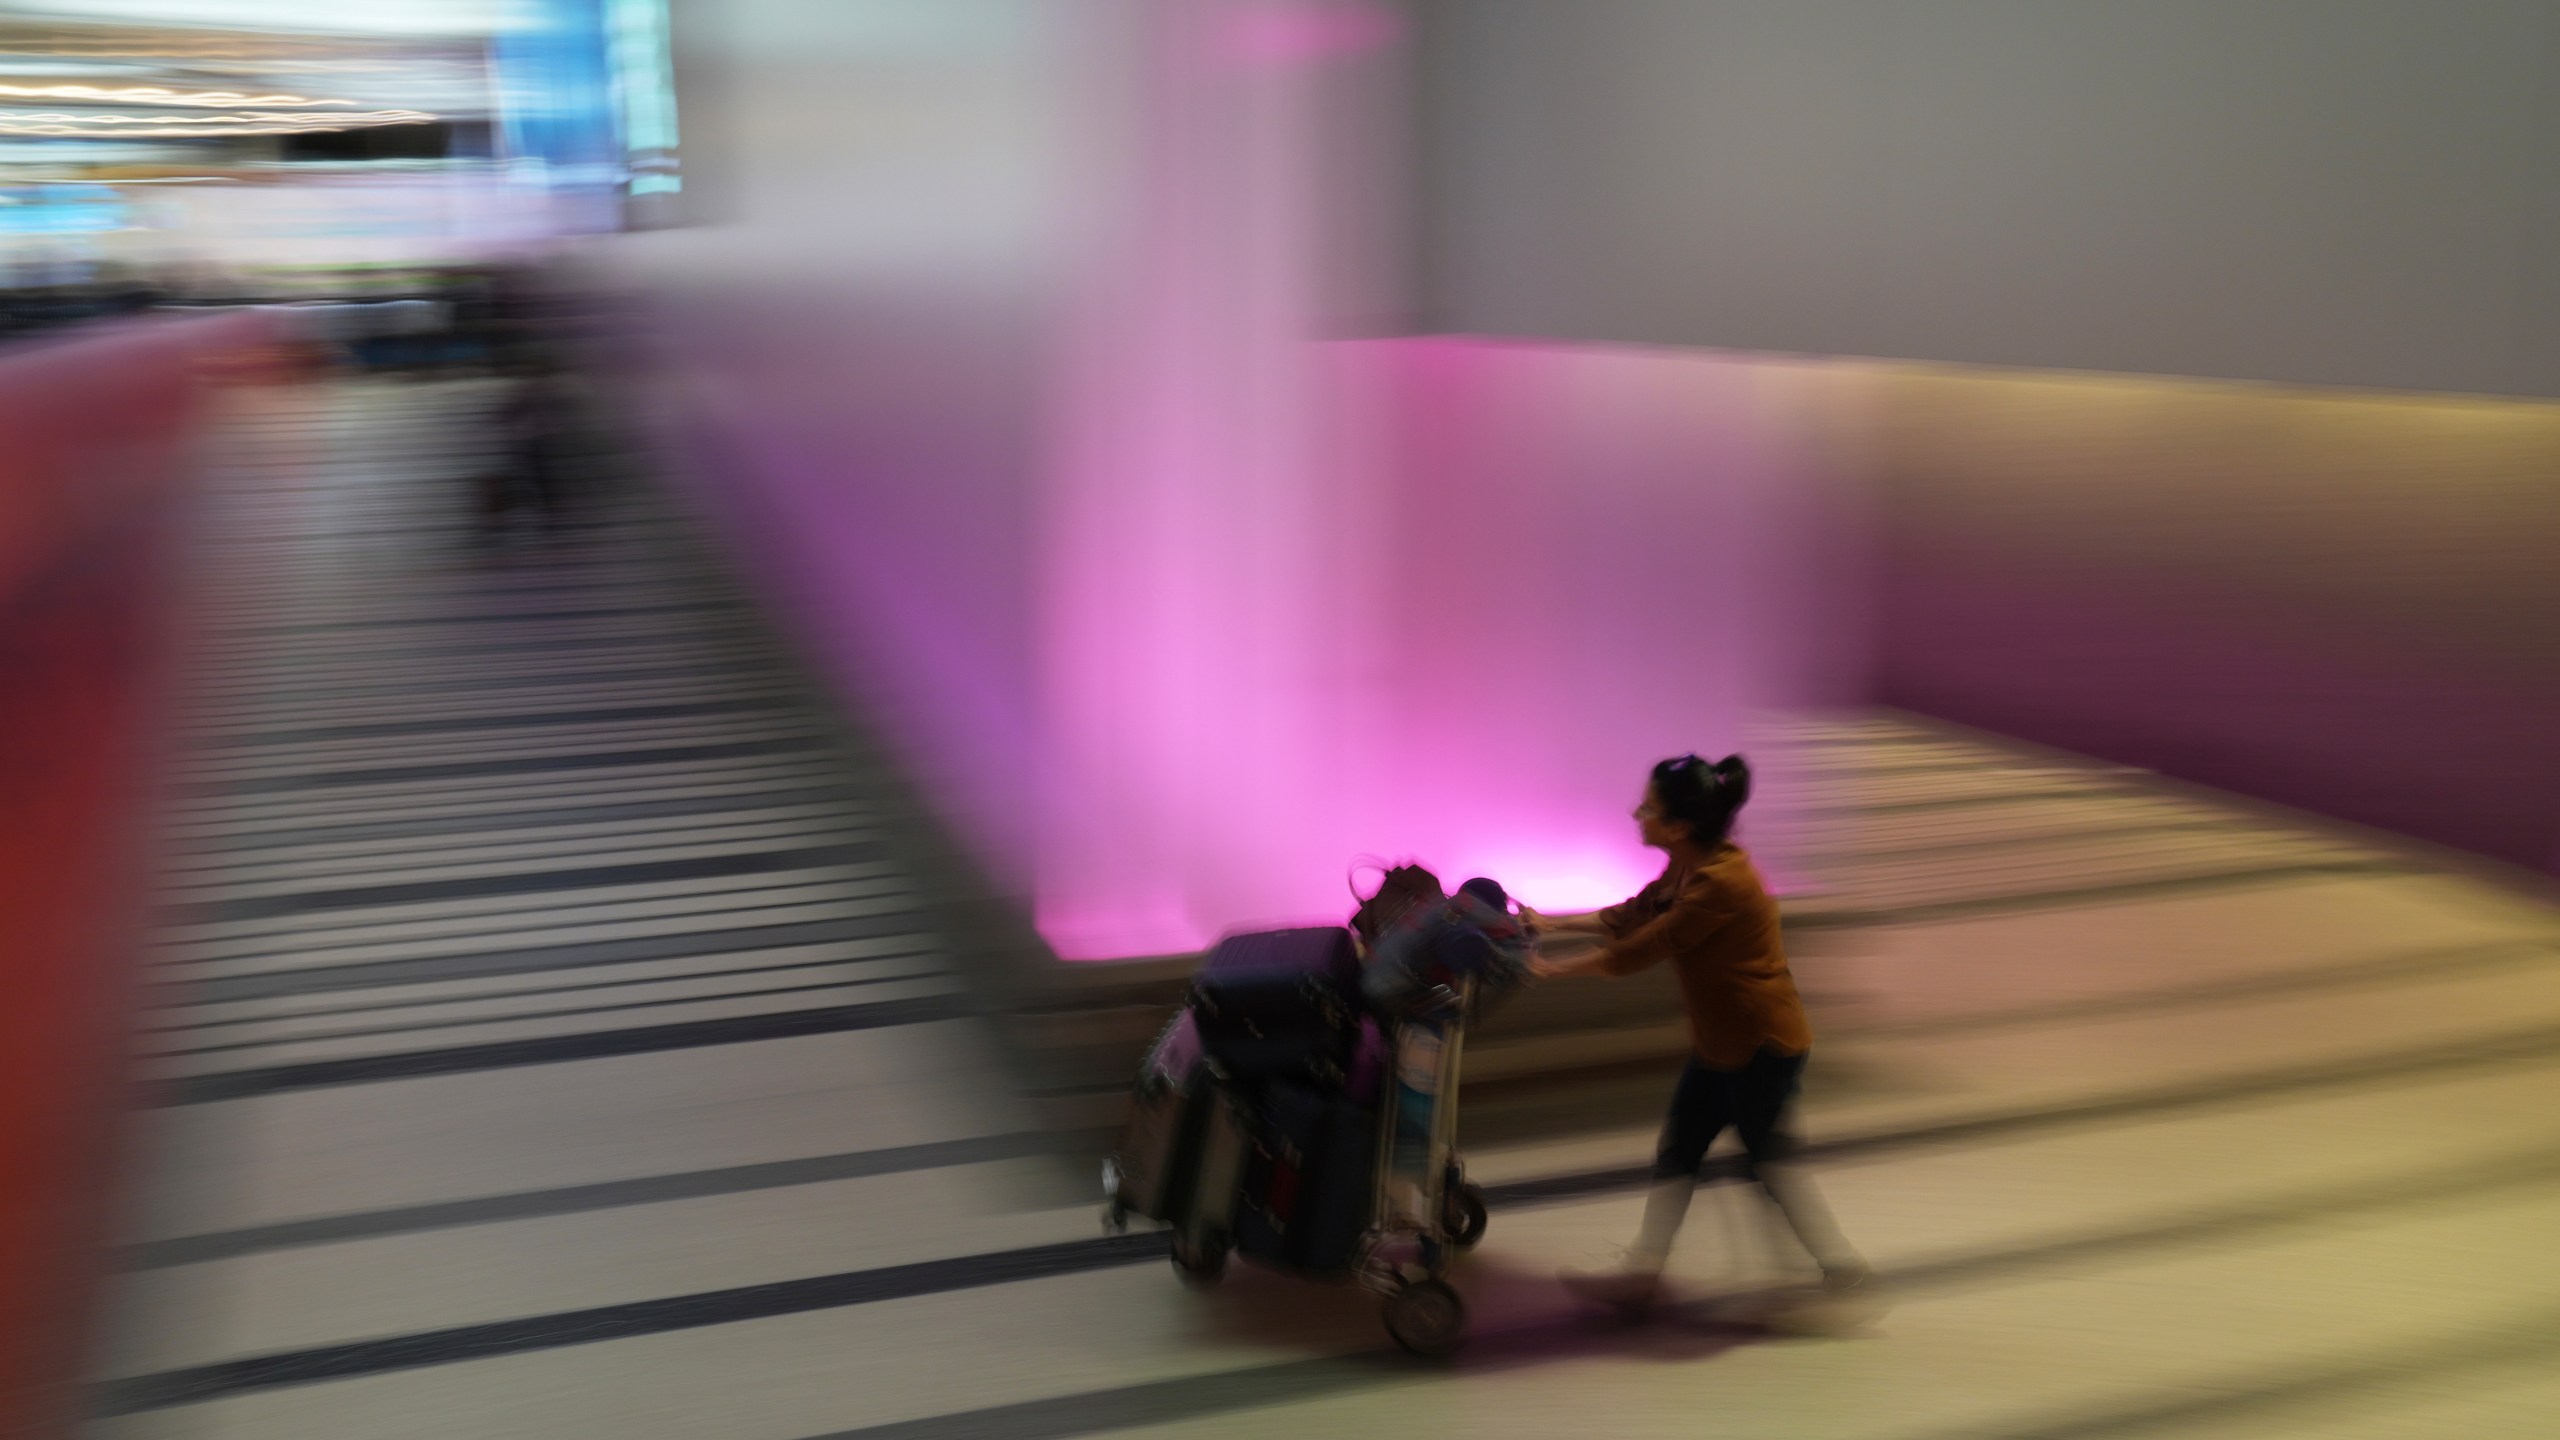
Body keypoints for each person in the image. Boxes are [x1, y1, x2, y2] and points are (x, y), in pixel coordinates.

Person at [1523, 753, 1866, 1307]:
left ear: (1679, 826)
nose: (1637, 814)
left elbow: (1645, 947)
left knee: (1766, 1165)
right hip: (1721, 1043)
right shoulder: (1688, 865)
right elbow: (1634, 913)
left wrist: (1551, 969)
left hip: (1762, 1046)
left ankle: (1843, 1274)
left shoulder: (1722, 884)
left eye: (1649, 807)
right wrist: (1549, 921)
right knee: (1681, 1150)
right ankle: (1644, 1277)